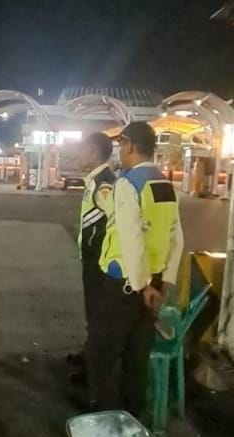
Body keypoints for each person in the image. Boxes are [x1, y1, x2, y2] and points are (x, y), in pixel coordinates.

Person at [87, 121, 183, 418]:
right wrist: (163, 282)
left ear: (128, 144)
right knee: (137, 358)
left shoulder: (127, 184)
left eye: (121, 145)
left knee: (103, 354)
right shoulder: (164, 184)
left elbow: (131, 237)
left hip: (124, 284)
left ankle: (105, 419)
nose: (119, 151)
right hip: (153, 285)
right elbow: (176, 238)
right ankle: (134, 418)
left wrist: (142, 285)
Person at [68, 133, 116, 386]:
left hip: (99, 262)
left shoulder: (104, 184)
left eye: (83, 150)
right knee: (93, 312)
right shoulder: (96, 181)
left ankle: (93, 373)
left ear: (94, 152)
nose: (79, 154)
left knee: (97, 315)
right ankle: (89, 355)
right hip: (93, 258)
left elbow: (117, 219)